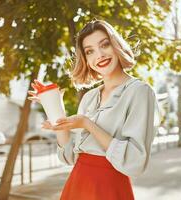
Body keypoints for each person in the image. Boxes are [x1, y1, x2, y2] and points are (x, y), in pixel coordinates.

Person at [28, 19, 160, 200]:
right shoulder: (90, 97)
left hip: (109, 188)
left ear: (116, 46)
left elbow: (134, 162)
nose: (99, 55)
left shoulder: (139, 91)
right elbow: (69, 157)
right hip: (77, 183)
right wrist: (55, 109)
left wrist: (88, 124)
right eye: (90, 51)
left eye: (104, 45)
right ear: (86, 60)